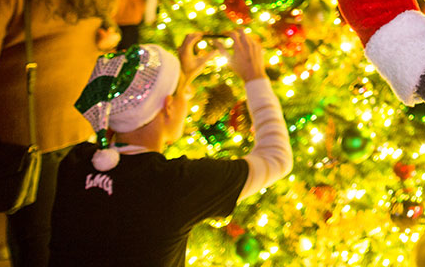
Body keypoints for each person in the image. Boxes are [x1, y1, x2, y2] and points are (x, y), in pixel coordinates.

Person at [48, 31, 292, 267]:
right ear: (167, 107)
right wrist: (255, 76)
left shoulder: (74, 163)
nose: (190, 94)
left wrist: (178, 81)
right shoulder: (176, 185)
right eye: (182, 95)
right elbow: (277, 158)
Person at [0, 0, 119, 267]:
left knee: (30, 241)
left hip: (26, 134)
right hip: (82, 129)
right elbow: (105, 36)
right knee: (64, 237)